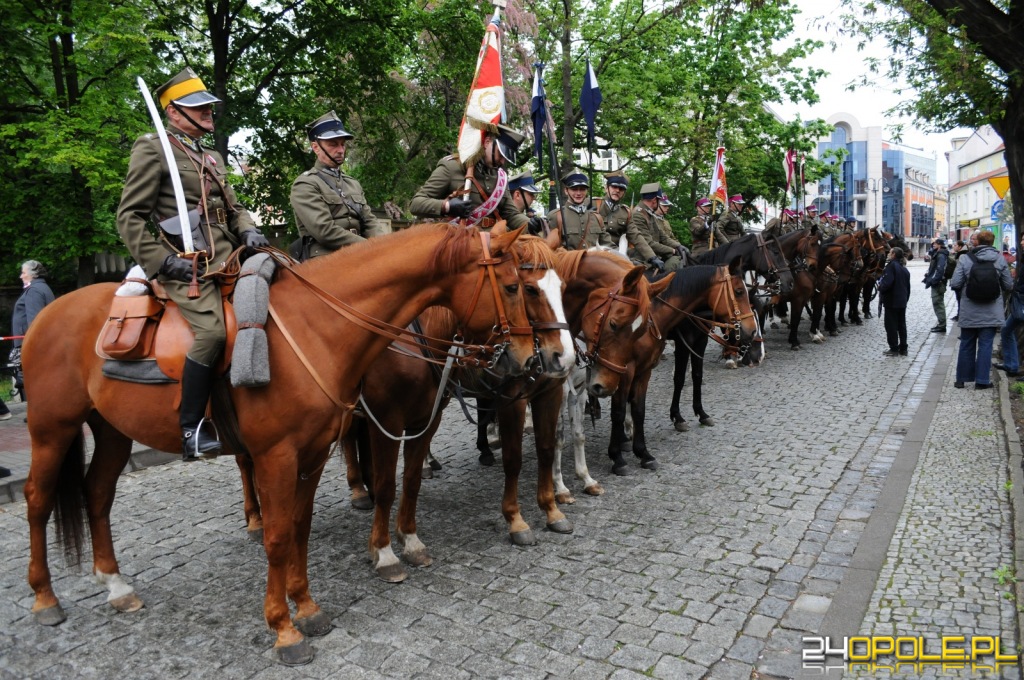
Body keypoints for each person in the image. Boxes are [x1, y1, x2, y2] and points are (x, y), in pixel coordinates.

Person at [116, 68, 268, 460]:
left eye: (207, 107)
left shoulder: (211, 155)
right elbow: (129, 217)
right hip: (190, 265)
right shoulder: (153, 148)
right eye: (197, 109)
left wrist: (248, 229)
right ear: (173, 112)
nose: (207, 114)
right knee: (213, 334)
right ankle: (191, 427)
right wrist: (163, 262)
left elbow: (235, 208)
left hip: (231, 255)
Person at [290, 111, 386, 259]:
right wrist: (368, 247)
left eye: (342, 144)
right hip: (327, 259)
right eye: (333, 144)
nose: (341, 150)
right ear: (316, 147)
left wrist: (386, 246)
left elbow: (369, 221)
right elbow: (324, 231)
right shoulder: (305, 184)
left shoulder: (352, 183)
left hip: (361, 254)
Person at [410, 125, 529, 229]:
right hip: (460, 241)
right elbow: (416, 204)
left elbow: (511, 215)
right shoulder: (452, 167)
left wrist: (531, 224)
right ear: (487, 142)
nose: (502, 162)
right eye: (501, 154)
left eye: (506, 158)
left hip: (493, 240)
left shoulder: (500, 178)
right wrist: (447, 207)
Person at [950, 230, 1013, 389]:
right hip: (991, 311)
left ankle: (961, 379)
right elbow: (1008, 285)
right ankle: (982, 381)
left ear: (977, 241)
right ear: (992, 243)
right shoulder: (999, 259)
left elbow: (955, 283)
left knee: (966, 343)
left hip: (969, 310)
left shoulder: (965, 259)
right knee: (986, 345)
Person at [12, 260, 56, 404]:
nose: (21, 276)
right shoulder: (43, 287)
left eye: (23, 273)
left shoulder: (34, 290)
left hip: (31, 341)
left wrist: (32, 345)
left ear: (33, 274)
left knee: (34, 378)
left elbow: (35, 320)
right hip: (38, 340)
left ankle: (39, 409)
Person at [598, 173, 656, 261]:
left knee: (640, 260)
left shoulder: (625, 212)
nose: (617, 191)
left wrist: (652, 257)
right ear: (606, 188)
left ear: (624, 193)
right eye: (614, 187)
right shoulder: (594, 205)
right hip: (596, 252)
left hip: (618, 253)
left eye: (621, 189)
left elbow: (635, 235)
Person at [545, 170, 606, 250]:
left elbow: (607, 245)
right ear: (566, 191)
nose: (578, 193)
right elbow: (548, 248)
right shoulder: (556, 216)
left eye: (582, 189)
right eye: (574, 189)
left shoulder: (596, 217)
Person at [629, 183, 682, 270]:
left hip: (655, 257)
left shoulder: (649, 213)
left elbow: (663, 237)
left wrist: (678, 246)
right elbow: (648, 243)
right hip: (642, 260)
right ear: (654, 200)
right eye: (659, 200)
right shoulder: (638, 214)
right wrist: (673, 250)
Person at [994, 233, 1024, 379]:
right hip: (1020, 300)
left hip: (1022, 300)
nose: (1022, 242)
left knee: (1007, 329)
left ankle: (1013, 365)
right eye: (1022, 239)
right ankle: (1011, 365)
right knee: (1006, 330)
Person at [877, 247, 911, 356]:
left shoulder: (891, 266)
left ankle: (894, 348)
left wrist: (880, 287)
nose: (888, 254)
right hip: (902, 301)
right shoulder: (903, 268)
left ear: (894, 255)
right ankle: (903, 348)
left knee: (891, 325)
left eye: (890, 253)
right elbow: (908, 287)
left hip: (892, 301)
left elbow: (887, 283)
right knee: (901, 325)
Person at [922, 238, 950, 333]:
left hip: (939, 283)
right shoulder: (938, 253)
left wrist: (934, 280)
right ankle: (941, 324)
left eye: (936, 243)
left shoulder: (941, 254)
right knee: (937, 302)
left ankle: (942, 325)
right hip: (938, 282)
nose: (934, 244)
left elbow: (940, 269)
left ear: (940, 245)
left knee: (938, 302)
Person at [949, 239, 966, 321]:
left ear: (960, 247)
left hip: (960, 281)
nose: (954, 246)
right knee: (959, 299)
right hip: (960, 280)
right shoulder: (959, 254)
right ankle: (959, 314)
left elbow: (958, 269)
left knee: (960, 298)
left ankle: (960, 315)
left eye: (955, 245)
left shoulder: (961, 255)